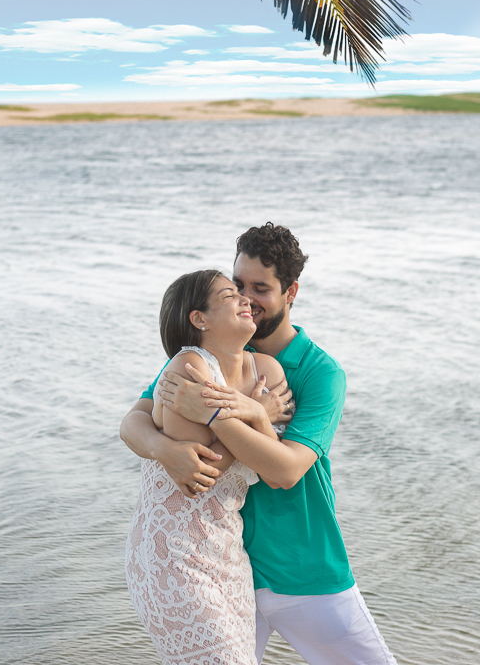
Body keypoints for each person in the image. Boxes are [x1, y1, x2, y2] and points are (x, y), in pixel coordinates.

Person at [121, 223, 398, 665]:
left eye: (261, 288)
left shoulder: (319, 372)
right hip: (219, 560)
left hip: (300, 561)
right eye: (238, 286)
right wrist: (164, 450)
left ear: (291, 293)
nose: (247, 297)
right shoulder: (206, 353)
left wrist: (223, 413)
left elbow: (286, 470)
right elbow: (135, 419)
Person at [125, 268, 286, 665]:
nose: (246, 300)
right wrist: (253, 415)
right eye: (231, 295)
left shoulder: (266, 370)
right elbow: (200, 474)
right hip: (171, 553)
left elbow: (272, 470)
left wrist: (247, 413)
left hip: (228, 554)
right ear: (200, 319)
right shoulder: (188, 369)